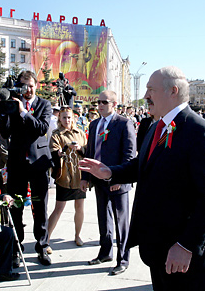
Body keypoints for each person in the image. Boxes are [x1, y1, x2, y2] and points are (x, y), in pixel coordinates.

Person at [81, 64, 205, 291]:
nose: (146, 96)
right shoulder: (156, 127)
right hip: (160, 248)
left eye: (151, 89)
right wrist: (110, 172)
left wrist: (186, 245)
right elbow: (142, 165)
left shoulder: (200, 132)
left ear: (173, 91)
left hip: (185, 255)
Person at [0, 70, 52, 264]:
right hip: (17, 163)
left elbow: (41, 127)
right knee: (16, 207)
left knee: (40, 207)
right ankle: (16, 247)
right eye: (24, 85)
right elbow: (5, 132)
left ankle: (42, 246)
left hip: (38, 163)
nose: (28, 89)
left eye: (31, 85)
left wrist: (23, 111)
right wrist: (4, 110)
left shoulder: (44, 104)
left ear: (36, 85)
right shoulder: (12, 104)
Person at [86, 89, 136, 273]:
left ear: (114, 104)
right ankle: (105, 252)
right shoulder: (94, 124)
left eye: (104, 102)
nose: (100, 105)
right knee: (103, 218)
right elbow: (90, 151)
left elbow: (129, 155)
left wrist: (120, 177)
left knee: (121, 221)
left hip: (117, 180)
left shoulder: (124, 123)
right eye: (98, 102)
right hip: (99, 180)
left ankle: (123, 259)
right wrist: (86, 177)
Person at [48, 105, 87, 244]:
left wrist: (80, 148)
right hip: (64, 176)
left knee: (80, 206)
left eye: (69, 117)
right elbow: (54, 152)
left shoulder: (80, 133)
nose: (67, 120)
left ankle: (77, 236)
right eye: (64, 117)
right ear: (60, 118)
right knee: (59, 207)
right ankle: (45, 239)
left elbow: (87, 151)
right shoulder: (56, 134)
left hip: (79, 176)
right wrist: (66, 147)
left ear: (74, 118)